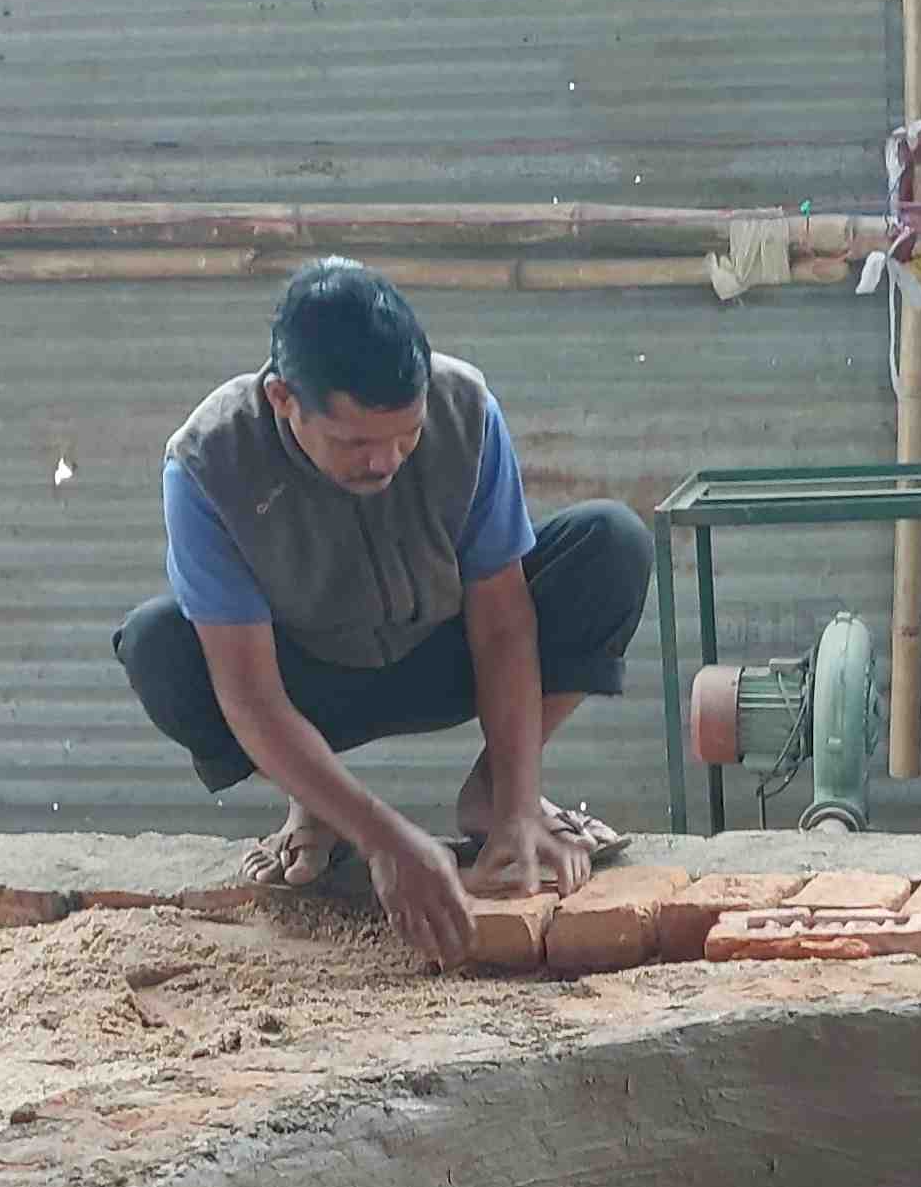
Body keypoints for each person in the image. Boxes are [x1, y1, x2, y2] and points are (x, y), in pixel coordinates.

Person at [116, 259, 654, 966]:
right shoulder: (208, 463)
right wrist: (385, 839)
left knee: (612, 543)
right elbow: (249, 697)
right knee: (157, 644)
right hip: (305, 687)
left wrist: (520, 806)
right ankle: (321, 805)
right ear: (284, 399)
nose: (386, 461)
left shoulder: (465, 410)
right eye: (356, 443)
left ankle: (494, 795)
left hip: (443, 650)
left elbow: (502, 624)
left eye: (405, 435)